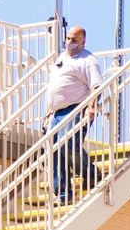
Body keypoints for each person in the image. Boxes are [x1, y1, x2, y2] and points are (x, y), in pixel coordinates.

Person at [42, 24, 102, 202]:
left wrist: (91, 107)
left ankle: (91, 174)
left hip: (76, 108)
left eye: (73, 40)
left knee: (67, 145)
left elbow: (96, 85)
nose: (69, 43)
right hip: (56, 113)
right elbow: (53, 86)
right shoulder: (62, 58)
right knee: (54, 151)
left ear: (83, 41)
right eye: (67, 39)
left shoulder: (88, 59)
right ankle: (63, 194)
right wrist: (48, 114)